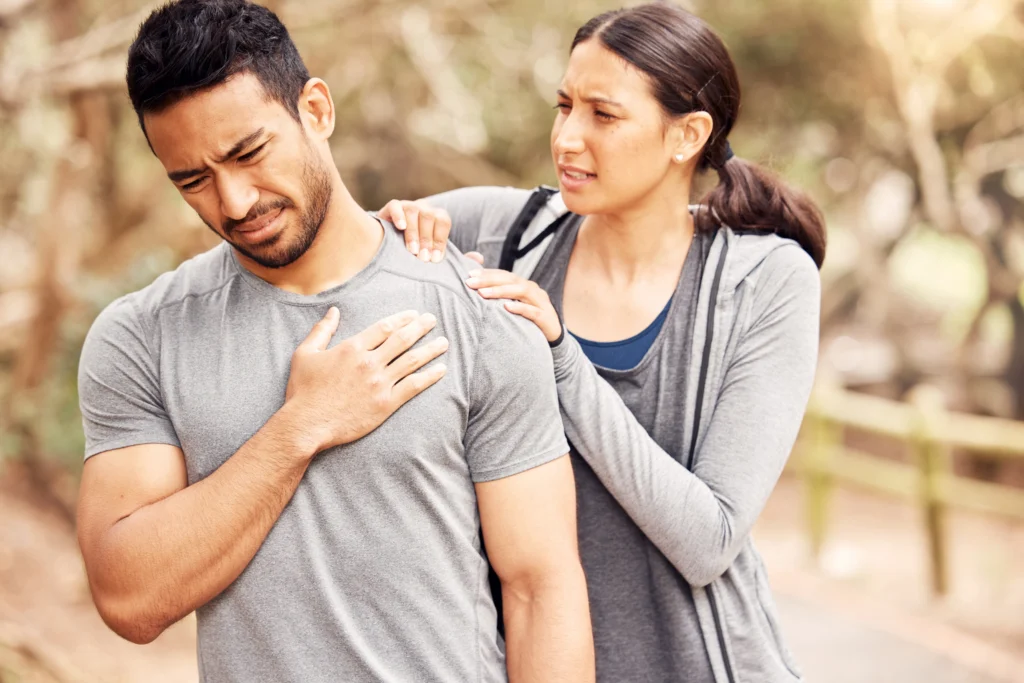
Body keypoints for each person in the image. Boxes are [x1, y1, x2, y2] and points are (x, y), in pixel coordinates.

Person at [74, 1, 594, 682]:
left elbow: (540, 589)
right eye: (193, 180)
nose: (232, 203)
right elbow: (128, 597)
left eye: (248, 153)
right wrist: (300, 428)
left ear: (316, 110)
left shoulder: (477, 313)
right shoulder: (142, 337)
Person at [379, 4, 825, 682]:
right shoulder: (510, 233)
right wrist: (398, 229)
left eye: (603, 114)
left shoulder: (763, 280)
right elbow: (358, 253)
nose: (567, 137)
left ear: (687, 135)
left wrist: (560, 356)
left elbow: (710, 538)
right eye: (563, 106)